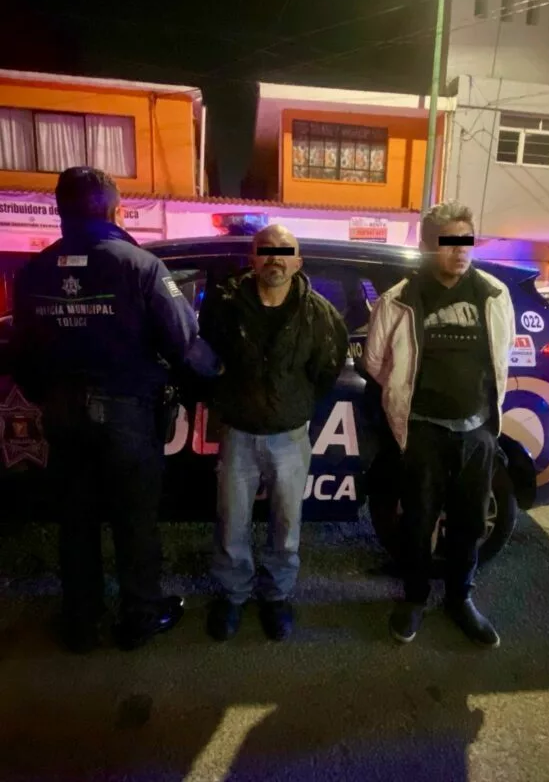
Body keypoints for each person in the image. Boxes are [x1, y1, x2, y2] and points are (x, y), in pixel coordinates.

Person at [11, 166, 221, 653]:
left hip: (62, 415)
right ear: (116, 210)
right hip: (126, 417)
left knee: (76, 521)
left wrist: (48, 396)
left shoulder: (34, 272)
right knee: (134, 520)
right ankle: (140, 617)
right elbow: (184, 343)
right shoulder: (141, 266)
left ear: (59, 210)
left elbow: (22, 353)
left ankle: (81, 624)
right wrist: (217, 374)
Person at [364, 201, 515, 648]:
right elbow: (375, 362)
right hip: (422, 431)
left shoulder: (494, 295)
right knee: (417, 521)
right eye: (449, 242)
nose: (460, 250)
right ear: (429, 246)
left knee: (469, 524)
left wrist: (482, 420)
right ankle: (414, 598)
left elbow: (502, 354)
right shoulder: (399, 299)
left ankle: (460, 599)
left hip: (477, 433)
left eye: (466, 241)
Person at [200, 224, 348, 642]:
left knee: (286, 524)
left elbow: (327, 370)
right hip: (238, 434)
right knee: (231, 523)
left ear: (298, 262)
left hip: (289, 436)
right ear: (253, 258)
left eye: (285, 252)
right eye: (266, 250)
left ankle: (276, 596)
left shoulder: (319, 314)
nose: (275, 258)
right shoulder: (226, 307)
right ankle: (233, 595)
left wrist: (293, 406)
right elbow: (206, 358)